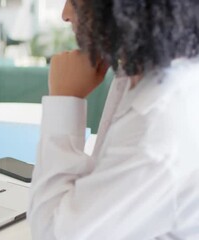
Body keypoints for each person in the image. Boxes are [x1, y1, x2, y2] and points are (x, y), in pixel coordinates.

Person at [28, 0, 199, 239]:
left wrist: (64, 98)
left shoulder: (154, 133)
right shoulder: (144, 74)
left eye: (76, 2)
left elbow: (53, 233)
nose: (65, 14)